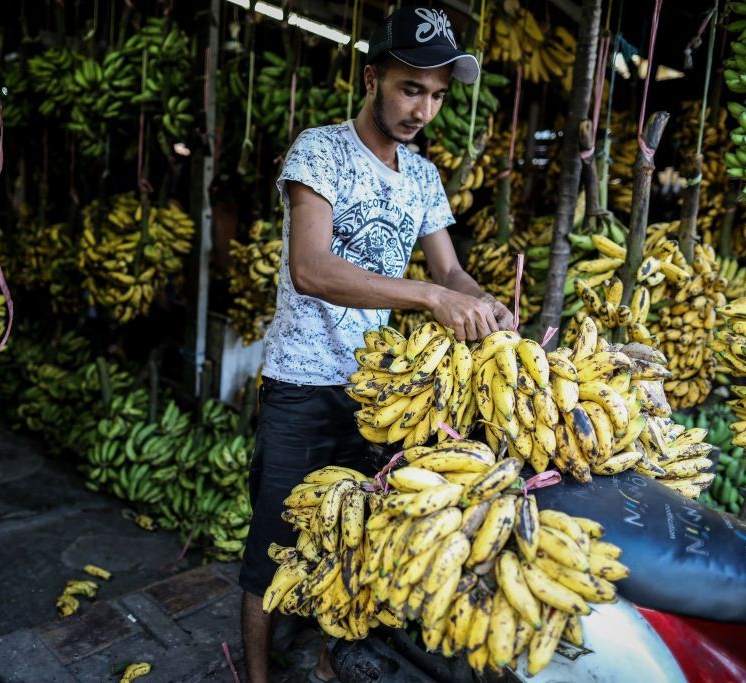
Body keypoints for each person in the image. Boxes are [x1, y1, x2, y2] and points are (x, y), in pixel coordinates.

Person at [238, 7, 514, 682]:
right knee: (275, 543)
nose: (424, 107)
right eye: (409, 87)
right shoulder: (320, 150)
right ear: (373, 77)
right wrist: (428, 296)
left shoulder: (421, 176)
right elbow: (311, 267)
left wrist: (481, 302)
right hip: (303, 380)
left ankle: (330, 661)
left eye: (438, 94)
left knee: (357, 535)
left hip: (384, 392)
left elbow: (448, 269)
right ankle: (254, 673)